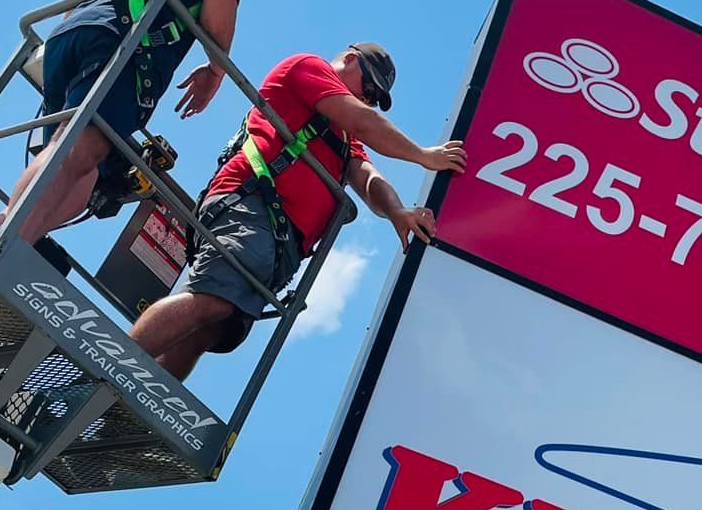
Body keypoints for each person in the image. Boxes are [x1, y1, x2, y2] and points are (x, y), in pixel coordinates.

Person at [0, 0, 313, 246]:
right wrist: (215, 70)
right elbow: (217, 14)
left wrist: (69, 24)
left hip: (84, 33)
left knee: (84, 171)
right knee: (74, 155)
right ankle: (3, 250)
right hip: (122, 46)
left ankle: (4, 236)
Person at [129, 43, 465, 380]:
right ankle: (118, 361)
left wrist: (397, 211)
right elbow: (364, 121)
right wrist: (423, 156)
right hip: (252, 207)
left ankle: (135, 405)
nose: (370, 99)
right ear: (350, 60)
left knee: (213, 326)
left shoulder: (346, 137)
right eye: (370, 87)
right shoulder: (308, 68)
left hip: (280, 246)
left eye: (376, 98)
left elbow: (367, 177)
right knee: (210, 301)